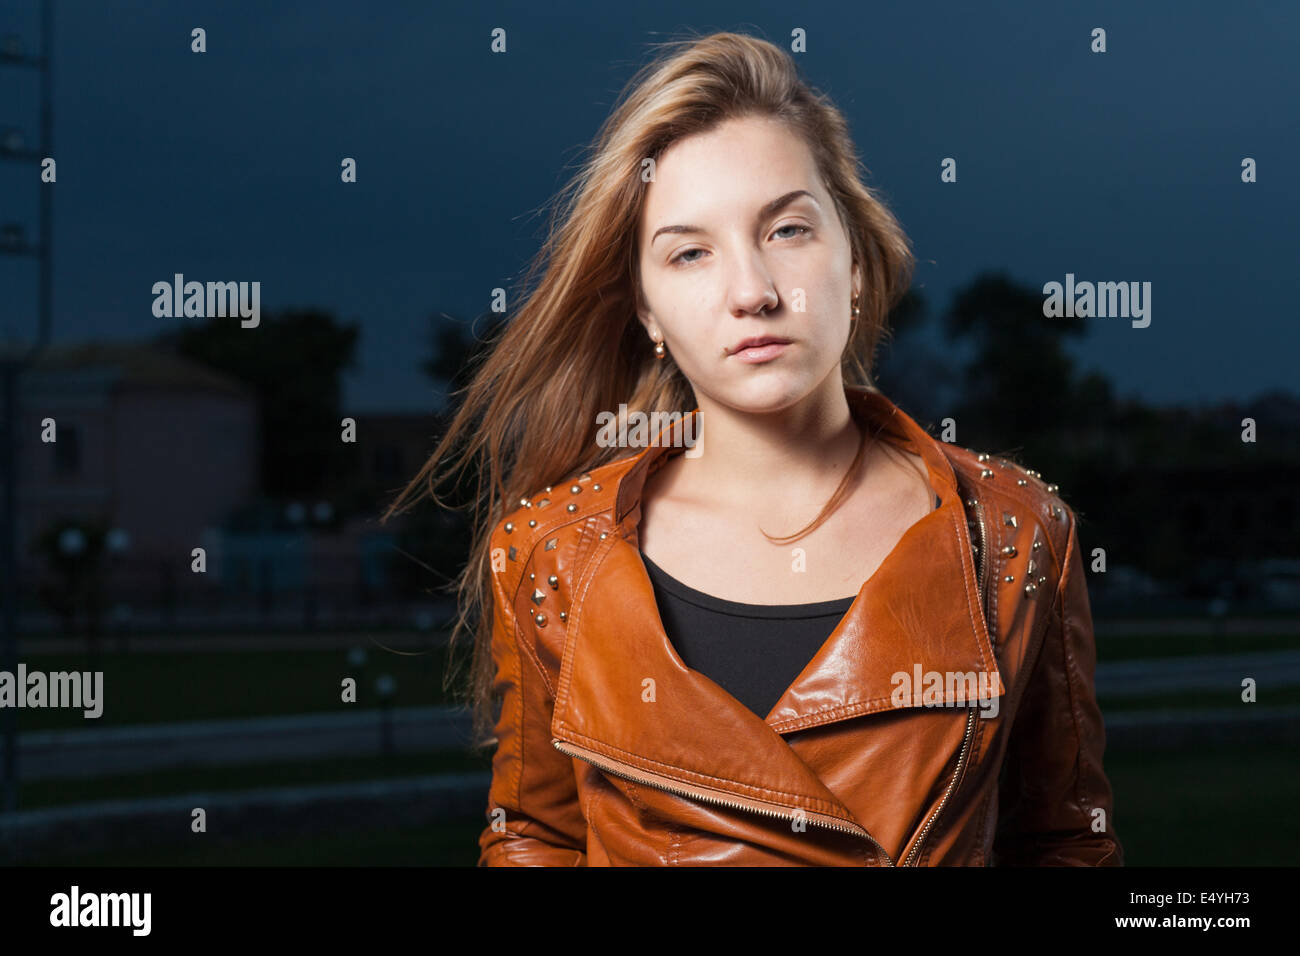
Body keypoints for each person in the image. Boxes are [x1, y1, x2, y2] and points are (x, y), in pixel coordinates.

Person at [384, 31, 1122, 866]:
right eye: (690, 253)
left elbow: (1067, 842)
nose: (753, 292)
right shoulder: (552, 557)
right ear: (649, 313)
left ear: (853, 257)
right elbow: (535, 838)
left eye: (787, 230)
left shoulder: (1017, 537)